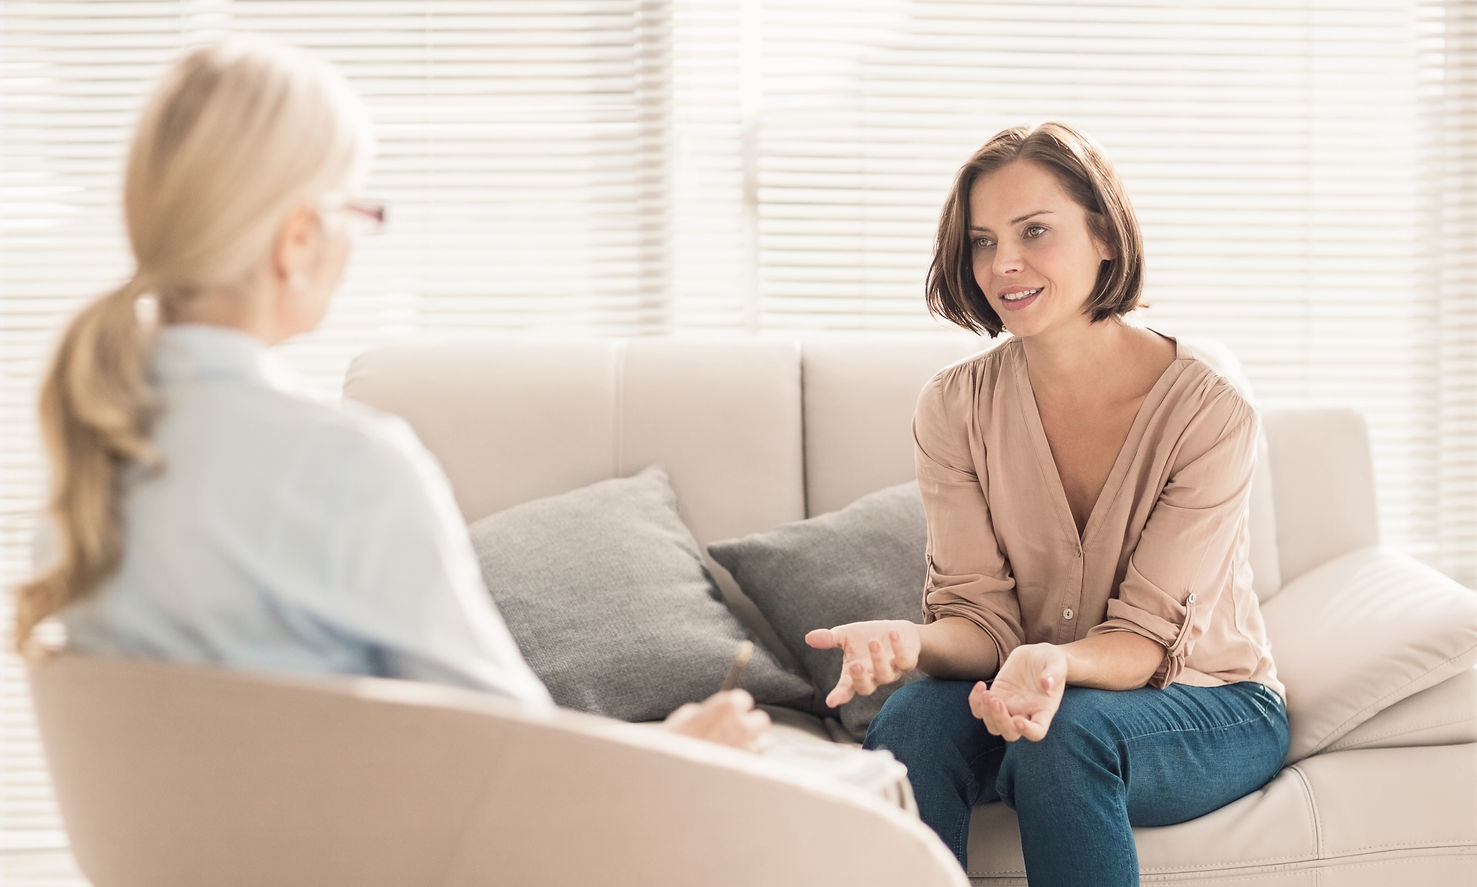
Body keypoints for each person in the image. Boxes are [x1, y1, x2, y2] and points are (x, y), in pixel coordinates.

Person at [13, 36, 768, 752]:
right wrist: (674, 749)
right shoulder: (349, 468)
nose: (355, 243)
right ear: (297, 239)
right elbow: (513, 761)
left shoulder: (90, 464)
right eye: (354, 211)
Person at [805, 123, 1289, 883]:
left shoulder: (1208, 410)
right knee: (912, 722)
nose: (1003, 263)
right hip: (1026, 687)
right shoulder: (955, 406)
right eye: (982, 241)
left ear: (1104, 235)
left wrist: (1054, 662)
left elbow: (1144, 640)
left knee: (1063, 735)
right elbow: (981, 621)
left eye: (1034, 230)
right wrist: (914, 641)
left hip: (1206, 701)